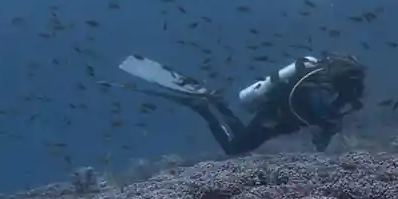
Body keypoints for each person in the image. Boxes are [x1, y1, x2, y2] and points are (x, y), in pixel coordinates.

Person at [119, 51, 366, 154]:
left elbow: (325, 119)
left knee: (242, 139)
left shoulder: (328, 87)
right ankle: (204, 108)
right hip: (276, 117)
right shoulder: (320, 89)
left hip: (280, 121)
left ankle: (216, 103)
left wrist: (331, 124)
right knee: (234, 149)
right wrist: (329, 127)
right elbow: (320, 114)